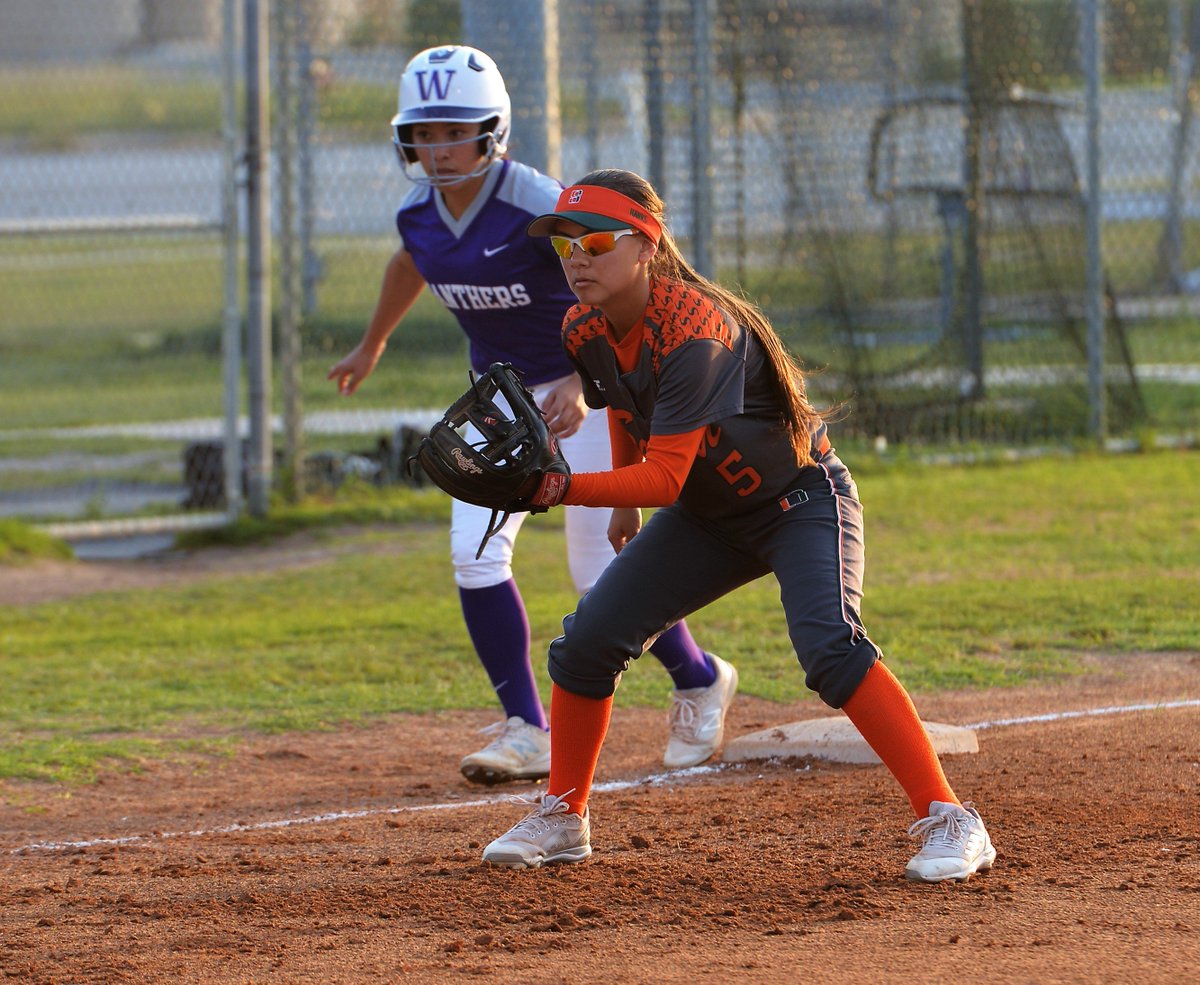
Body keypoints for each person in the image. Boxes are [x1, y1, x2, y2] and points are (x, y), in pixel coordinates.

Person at [480, 169, 997, 883]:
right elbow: (627, 410)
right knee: (587, 643)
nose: (577, 259)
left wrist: (561, 487)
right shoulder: (584, 326)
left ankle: (950, 816)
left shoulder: (695, 325)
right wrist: (619, 504)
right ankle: (564, 815)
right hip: (709, 516)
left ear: (647, 248)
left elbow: (664, 476)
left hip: (799, 500)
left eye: (595, 241)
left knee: (830, 647)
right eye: (563, 245)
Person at [327, 47, 737, 785]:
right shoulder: (418, 214)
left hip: (585, 390)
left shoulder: (539, 205)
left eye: (454, 129)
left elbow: (617, 288)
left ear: (493, 129)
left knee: (599, 569)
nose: (437, 146)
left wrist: (585, 380)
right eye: (423, 132)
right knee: (473, 554)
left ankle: (700, 677)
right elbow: (408, 264)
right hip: (500, 398)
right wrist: (371, 345)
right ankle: (526, 725)